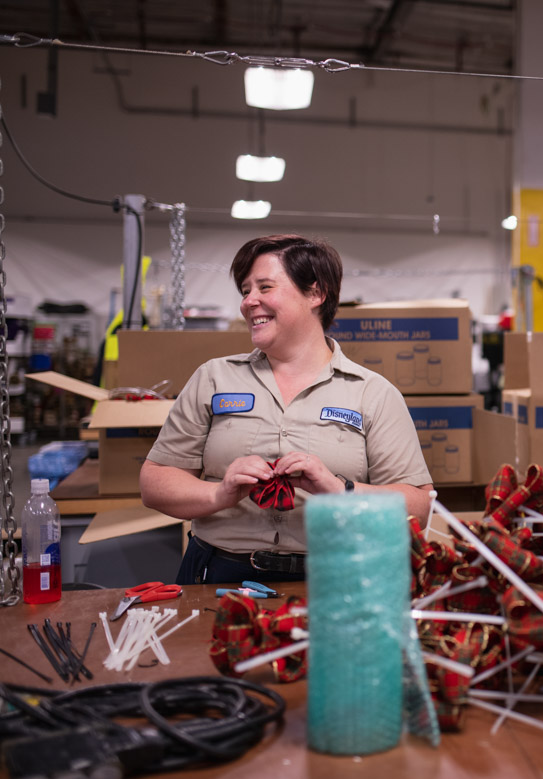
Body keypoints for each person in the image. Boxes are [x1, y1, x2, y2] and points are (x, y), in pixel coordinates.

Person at [140, 234, 433, 584]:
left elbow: (419, 505)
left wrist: (337, 489)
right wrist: (220, 493)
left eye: (265, 287)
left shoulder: (373, 393)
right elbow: (154, 483)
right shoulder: (214, 378)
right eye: (246, 291)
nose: (249, 302)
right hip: (218, 574)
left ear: (316, 293)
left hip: (336, 580)